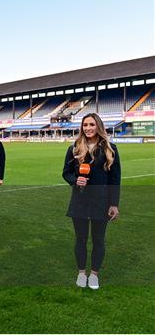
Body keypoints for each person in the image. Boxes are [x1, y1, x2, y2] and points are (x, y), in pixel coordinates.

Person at [62, 113, 121, 290]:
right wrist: (75, 180)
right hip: (79, 200)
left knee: (98, 240)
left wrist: (114, 204)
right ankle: (81, 273)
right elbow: (66, 172)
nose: (88, 128)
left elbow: (114, 179)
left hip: (101, 202)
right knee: (80, 239)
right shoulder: (74, 148)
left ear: (99, 127)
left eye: (92, 125)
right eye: (85, 125)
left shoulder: (111, 149)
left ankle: (94, 274)